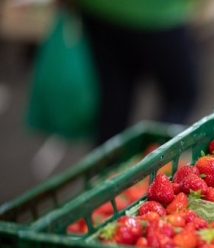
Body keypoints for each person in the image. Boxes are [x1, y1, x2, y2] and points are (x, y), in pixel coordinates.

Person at [67, 0, 203, 145]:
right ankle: (153, 157)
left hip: (99, 10)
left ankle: (107, 164)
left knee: (114, 102)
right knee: (181, 96)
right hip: (155, 15)